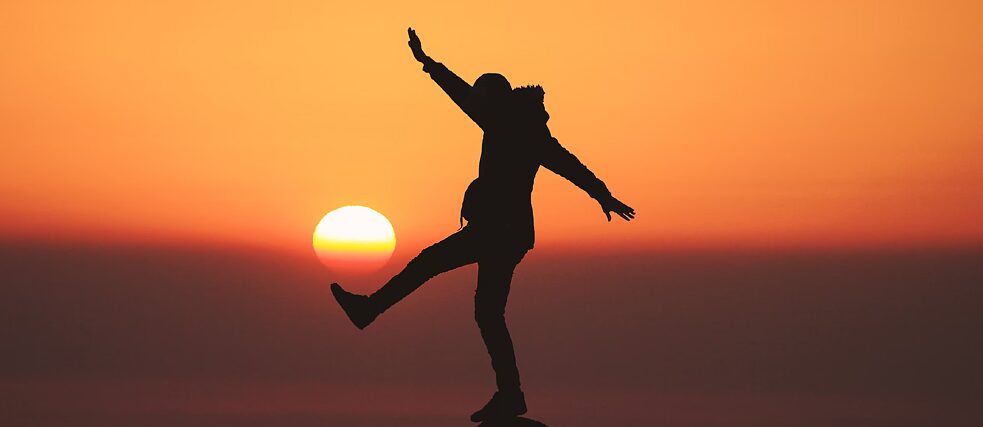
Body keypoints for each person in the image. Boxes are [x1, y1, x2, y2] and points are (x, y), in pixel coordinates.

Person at [330, 27, 635, 422]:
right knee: (488, 313)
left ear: (493, 98)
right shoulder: (529, 129)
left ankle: (369, 310)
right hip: (509, 235)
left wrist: (428, 64)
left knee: (430, 265)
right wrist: (603, 195)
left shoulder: (504, 120)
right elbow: (571, 165)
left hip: (496, 231)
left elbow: (462, 96)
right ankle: (510, 395)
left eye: (481, 99)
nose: (477, 105)